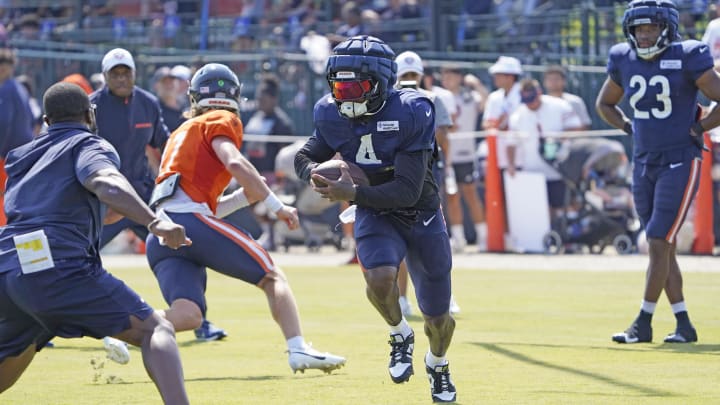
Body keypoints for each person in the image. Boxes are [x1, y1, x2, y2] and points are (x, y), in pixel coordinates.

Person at [146, 63, 346, 374]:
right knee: (272, 276)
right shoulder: (222, 119)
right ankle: (298, 349)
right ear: (234, 95)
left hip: (161, 232)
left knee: (188, 315)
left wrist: (243, 198)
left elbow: (193, 205)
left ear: (195, 97)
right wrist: (276, 204)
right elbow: (235, 162)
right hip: (189, 224)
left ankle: (122, 328)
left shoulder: (180, 133)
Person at [0, 82, 191, 404]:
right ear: (90, 114)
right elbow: (104, 182)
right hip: (56, 266)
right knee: (156, 329)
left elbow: (50, 207)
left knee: (18, 346)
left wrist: (99, 212)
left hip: (9, 267)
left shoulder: (21, 156)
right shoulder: (88, 144)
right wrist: (155, 221)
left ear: (46, 121)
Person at [295, 35, 457, 403]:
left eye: (357, 86)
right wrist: (316, 174)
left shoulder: (413, 109)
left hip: (420, 213)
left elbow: (408, 191)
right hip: (374, 212)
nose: (346, 95)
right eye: (340, 86)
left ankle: (438, 363)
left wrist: (349, 193)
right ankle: (399, 334)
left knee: (438, 319)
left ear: (383, 83)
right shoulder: (329, 112)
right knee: (380, 278)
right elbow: (304, 157)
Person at [596, 0, 720, 344]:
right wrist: (625, 126)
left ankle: (643, 321)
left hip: (680, 159)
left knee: (657, 240)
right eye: (638, 28)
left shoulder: (688, 55)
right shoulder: (623, 57)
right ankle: (683, 324)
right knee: (661, 247)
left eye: (650, 27)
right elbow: (605, 103)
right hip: (644, 160)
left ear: (667, 27)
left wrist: (701, 127)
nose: (644, 34)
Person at [91, 48, 224, 358]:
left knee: (179, 248)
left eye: (126, 72)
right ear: (105, 76)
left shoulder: (148, 104)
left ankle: (196, 319)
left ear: (134, 74)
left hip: (140, 201)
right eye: (115, 73)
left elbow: (166, 146)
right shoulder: (92, 106)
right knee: (77, 256)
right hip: (101, 200)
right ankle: (44, 325)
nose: (122, 78)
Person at [393, 50, 458, 317]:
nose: (409, 79)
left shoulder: (430, 99)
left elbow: (443, 137)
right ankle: (401, 298)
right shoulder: (392, 101)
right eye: (405, 75)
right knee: (401, 239)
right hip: (402, 177)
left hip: (426, 177)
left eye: (412, 75)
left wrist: (447, 167)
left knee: (434, 240)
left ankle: (444, 296)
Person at [507, 78, 581, 218]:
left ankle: (565, 235)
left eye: (532, 99)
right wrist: (511, 164)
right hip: (533, 171)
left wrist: (556, 140)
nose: (531, 104)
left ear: (539, 93)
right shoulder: (517, 115)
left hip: (559, 170)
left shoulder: (560, 106)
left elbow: (576, 127)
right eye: (527, 101)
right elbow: (511, 143)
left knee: (564, 206)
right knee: (540, 210)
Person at [242, 74, 294, 251]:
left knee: (266, 206)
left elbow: (284, 154)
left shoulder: (282, 123)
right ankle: (268, 234)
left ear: (273, 99)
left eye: (263, 99)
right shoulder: (256, 118)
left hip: (272, 175)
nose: (260, 103)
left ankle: (273, 236)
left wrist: (281, 181)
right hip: (253, 172)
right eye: (258, 99)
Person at [440, 65, 488, 252]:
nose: (448, 79)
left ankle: (482, 236)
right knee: (451, 197)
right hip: (446, 154)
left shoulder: (469, 97)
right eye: (445, 76)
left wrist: (476, 83)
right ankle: (458, 238)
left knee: (470, 193)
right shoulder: (439, 96)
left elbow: (486, 101)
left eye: (451, 75)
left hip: (466, 153)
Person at [0, 48, 34, 227]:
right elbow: (32, 119)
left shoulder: (5, 89)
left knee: (6, 197)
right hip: (24, 153)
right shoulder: (19, 87)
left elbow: (4, 121)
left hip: (7, 155)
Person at [542, 65, 592, 130]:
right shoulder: (538, 103)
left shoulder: (575, 101)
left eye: (556, 79)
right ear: (544, 82)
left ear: (564, 81)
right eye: (550, 79)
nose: (553, 82)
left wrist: (566, 135)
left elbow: (586, 124)